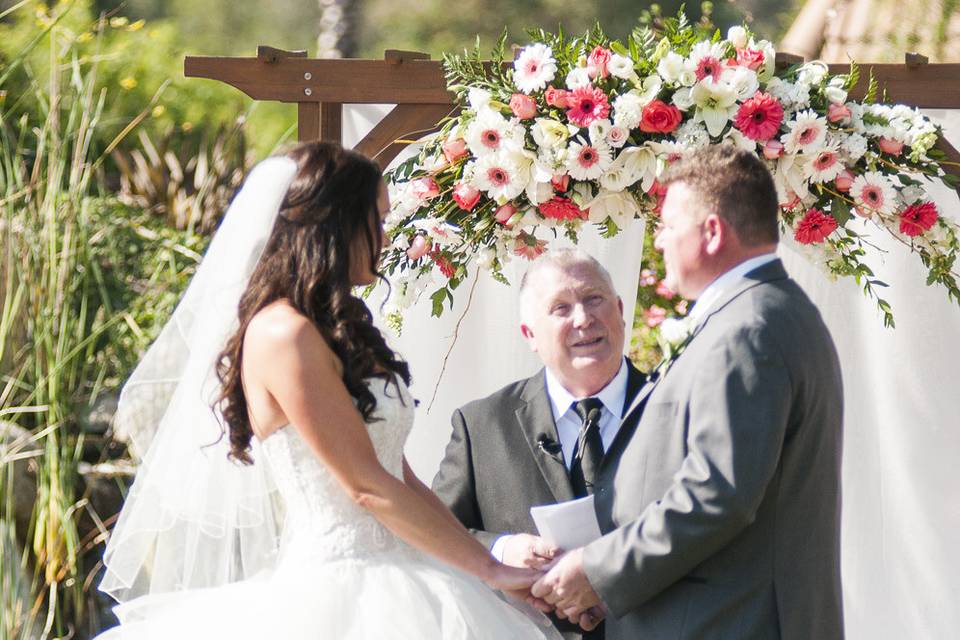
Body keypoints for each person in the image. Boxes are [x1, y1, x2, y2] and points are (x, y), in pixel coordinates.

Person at [95, 141, 561, 639]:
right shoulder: (283, 334)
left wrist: (483, 564)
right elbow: (365, 486)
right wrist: (489, 571)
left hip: (408, 571)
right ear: (334, 222)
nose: (386, 235)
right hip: (339, 590)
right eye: (376, 220)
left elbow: (399, 478)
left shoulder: (336, 331)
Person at [531, 145, 845, 639]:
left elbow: (717, 494)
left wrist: (599, 571)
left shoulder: (748, 329)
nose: (658, 241)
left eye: (667, 226)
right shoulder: (766, 312)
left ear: (712, 232)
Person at [433, 249, 646, 640]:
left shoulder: (676, 405)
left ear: (619, 309)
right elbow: (435, 532)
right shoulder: (481, 425)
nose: (583, 318)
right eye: (560, 308)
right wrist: (499, 551)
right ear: (530, 335)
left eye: (593, 298)